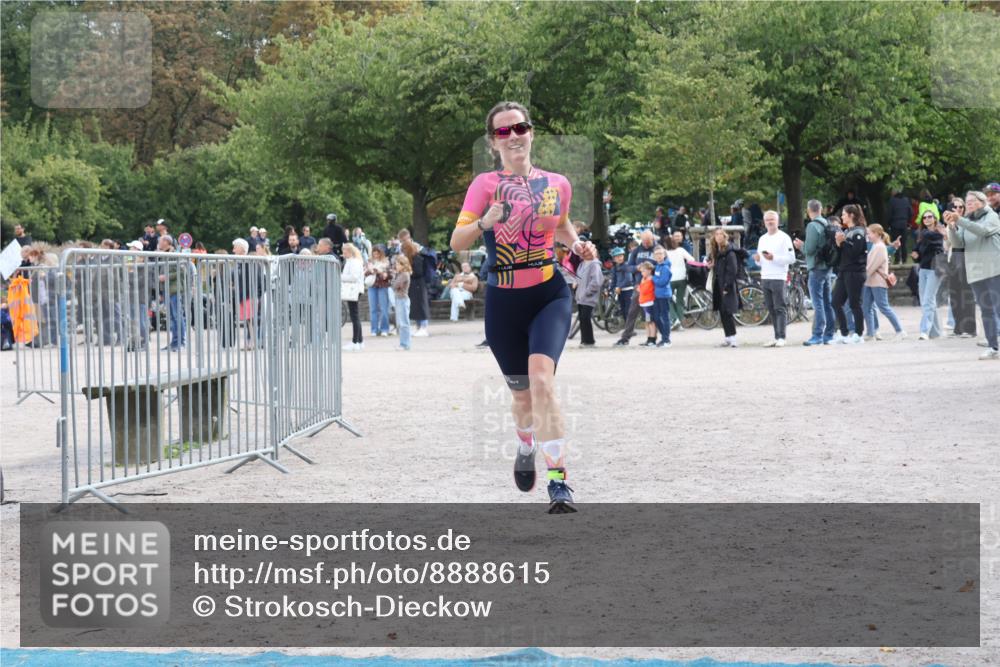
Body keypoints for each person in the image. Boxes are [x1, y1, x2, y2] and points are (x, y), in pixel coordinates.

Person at [449, 100, 596, 513]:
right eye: (503, 131)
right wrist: (484, 223)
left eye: (520, 127)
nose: (514, 136)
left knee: (543, 382)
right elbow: (456, 241)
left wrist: (578, 245)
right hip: (504, 302)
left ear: (531, 132)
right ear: (493, 142)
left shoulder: (557, 184)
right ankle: (525, 443)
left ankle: (559, 481)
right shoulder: (483, 186)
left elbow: (562, 227)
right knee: (523, 399)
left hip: (549, 294)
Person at [944, 191, 1000, 360]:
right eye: (966, 201)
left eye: (971, 201)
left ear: (982, 202)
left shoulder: (991, 216)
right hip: (976, 271)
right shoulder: (967, 221)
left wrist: (960, 220)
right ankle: (993, 347)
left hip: (994, 269)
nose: (967, 204)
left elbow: (982, 231)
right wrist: (953, 227)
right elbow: (958, 244)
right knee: (986, 311)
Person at [793, 199, 836, 345]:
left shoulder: (812, 225)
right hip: (827, 266)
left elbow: (809, 249)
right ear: (821, 209)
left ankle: (817, 334)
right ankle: (829, 334)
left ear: (808, 210)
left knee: (818, 302)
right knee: (827, 301)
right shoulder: (826, 223)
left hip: (816, 267)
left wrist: (800, 246)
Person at [754, 210, 795, 347]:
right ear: (764, 223)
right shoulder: (762, 239)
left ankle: (782, 336)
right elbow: (760, 262)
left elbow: (791, 258)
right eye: (767, 220)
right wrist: (758, 260)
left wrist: (774, 258)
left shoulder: (784, 238)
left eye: (772, 219)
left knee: (780, 307)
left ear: (777, 221)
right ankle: (776, 336)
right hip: (765, 276)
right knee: (771, 308)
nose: (770, 222)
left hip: (778, 277)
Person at [613, 230, 658, 346]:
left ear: (652, 239)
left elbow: (663, 264)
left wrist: (650, 270)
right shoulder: (636, 251)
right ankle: (625, 338)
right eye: (644, 241)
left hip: (653, 286)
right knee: (632, 312)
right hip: (639, 286)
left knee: (652, 314)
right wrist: (637, 268)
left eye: (649, 241)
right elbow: (629, 267)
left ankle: (656, 338)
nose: (647, 244)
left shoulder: (658, 249)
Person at [831, 204, 868, 344]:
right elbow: (842, 252)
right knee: (835, 302)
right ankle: (844, 333)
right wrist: (838, 243)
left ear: (852, 215)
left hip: (855, 272)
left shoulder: (859, 232)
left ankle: (858, 334)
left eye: (844, 214)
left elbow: (855, 253)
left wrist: (842, 243)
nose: (842, 216)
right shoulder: (847, 231)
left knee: (854, 304)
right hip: (844, 271)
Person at [862, 224, 905, 341]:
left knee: (883, 307)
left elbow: (871, 266)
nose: (868, 236)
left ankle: (900, 330)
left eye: (869, 233)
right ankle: (870, 333)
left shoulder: (879, 247)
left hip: (877, 282)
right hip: (870, 281)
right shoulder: (876, 246)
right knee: (866, 306)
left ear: (876, 233)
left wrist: (862, 276)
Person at [944, 197, 977, 338]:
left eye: (961, 207)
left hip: (965, 258)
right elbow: (947, 246)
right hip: (953, 259)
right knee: (954, 295)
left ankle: (970, 329)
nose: (958, 209)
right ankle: (958, 327)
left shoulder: (967, 223)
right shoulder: (949, 224)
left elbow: (959, 242)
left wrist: (953, 227)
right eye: (955, 207)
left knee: (967, 295)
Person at [911, 209, 945, 340]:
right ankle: (935, 332)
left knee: (928, 301)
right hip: (924, 269)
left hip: (935, 270)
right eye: (924, 218)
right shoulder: (923, 235)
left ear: (935, 218)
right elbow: (918, 251)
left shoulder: (938, 233)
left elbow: (938, 246)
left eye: (930, 217)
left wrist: (920, 246)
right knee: (929, 302)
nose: (927, 219)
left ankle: (924, 330)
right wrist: (915, 255)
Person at [708, 229, 740, 347]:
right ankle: (728, 337)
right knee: (722, 311)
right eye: (716, 235)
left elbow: (733, 270)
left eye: (720, 235)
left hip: (727, 285)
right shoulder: (716, 251)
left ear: (725, 237)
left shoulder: (729, 252)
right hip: (718, 284)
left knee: (728, 312)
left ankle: (733, 339)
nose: (718, 237)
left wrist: (727, 285)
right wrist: (711, 265)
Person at [123, 240, 151, 351]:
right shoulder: (131, 262)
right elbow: (123, 274)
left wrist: (128, 275)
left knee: (141, 321)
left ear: (137, 250)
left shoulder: (143, 263)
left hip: (140, 297)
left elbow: (138, 280)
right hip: (131, 296)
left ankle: (143, 342)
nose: (130, 250)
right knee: (132, 321)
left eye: (132, 248)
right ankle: (135, 342)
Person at [665, 233, 695, 328]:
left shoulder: (665, 253)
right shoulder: (681, 250)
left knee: (667, 299)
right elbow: (692, 259)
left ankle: (674, 318)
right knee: (680, 300)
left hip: (671, 279)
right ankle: (681, 322)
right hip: (682, 278)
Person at [402, 240, 431, 336]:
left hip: (419, 283)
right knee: (415, 306)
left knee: (421, 305)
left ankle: (424, 327)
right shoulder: (411, 258)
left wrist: (409, 272)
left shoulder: (418, 258)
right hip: (414, 284)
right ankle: (418, 327)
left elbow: (418, 272)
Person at [340, 243, 365, 351]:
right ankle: (359, 340)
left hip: (354, 290)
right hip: (354, 290)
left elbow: (354, 277)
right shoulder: (352, 261)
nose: (343, 252)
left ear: (350, 251)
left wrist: (339, 276)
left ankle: (355, 341)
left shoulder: (354, 262)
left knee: (355, 316)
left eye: (345, 251)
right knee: (355, 316)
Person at [575, 250, 602, 347]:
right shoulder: (581, 264)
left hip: (588, 298)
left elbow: (596, 282)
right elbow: (578, 277)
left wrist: (586, 293)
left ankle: (590, 341)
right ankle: (584, 340)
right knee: (582, 319)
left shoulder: (595, 264)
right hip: (580, 297)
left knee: (586, 318)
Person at [365, 245, 392, 335]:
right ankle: (374, 329)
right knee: (373, 309)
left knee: (384, 308)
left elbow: (390, 275)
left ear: (381, 254)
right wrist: (369, 271)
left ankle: (384, 329)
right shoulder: (369, 262)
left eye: (377, 254)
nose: (376, 256)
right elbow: (364, 273)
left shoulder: (386, 262)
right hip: (372, 286)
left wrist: (382, 273)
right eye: (374, 254)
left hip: (383, 286)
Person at [651, 246, 673, 348]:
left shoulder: (665, 267)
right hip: (657, 295)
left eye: (660, 253)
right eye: (657, 254)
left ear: (664, 255)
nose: (659, 256)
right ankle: (664, 337)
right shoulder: (657, 266)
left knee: (665, 317)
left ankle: (666, 339)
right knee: (656, 317)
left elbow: (662, 282)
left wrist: (653, 278)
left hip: (664, 295)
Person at [392, 254, 412, 350]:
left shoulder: (404, 275)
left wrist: (393, 280)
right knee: (401, 322)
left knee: (404, 323)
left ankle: (405, 344)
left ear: (403, 265)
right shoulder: (400, 274)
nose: (396, 266)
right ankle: (403, 343)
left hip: (402, 299)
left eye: (398, 264)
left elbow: (395, 285)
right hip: (399, 299)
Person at [608, 247, 634, 322]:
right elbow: (614, 280)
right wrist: (609, 289)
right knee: (623, 310)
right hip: (620, 292)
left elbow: (628, 279)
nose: (619, 258)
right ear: (614, 259)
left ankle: (630, 329)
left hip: (628, 291)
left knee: (628, 311)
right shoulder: (615, 268)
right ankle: (627, 328)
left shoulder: (626, 266)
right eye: (617, 256)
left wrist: (619, 287)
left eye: (621, 256)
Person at [886, 190, 912, 263]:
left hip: (895, 224)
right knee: (904, 243)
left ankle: (897, 259)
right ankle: (904, 259)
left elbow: (889, 213)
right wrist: (908, 222)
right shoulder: (906, 200)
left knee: (895, 241)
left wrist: (888, 223)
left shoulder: (892, 201)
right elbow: (910, 212)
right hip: (904, 224)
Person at [636, 261, 657, 346]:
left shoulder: (650, 279)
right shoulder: (644, 279)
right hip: (643, 304)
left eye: (643, 271)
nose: (642, 273)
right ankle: (648, 339)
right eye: (641, 271)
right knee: (646, 322)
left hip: (648, 304)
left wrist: (639, 288)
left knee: (650, 322)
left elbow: (644, 290)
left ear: (649, 270)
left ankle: (652, 339)